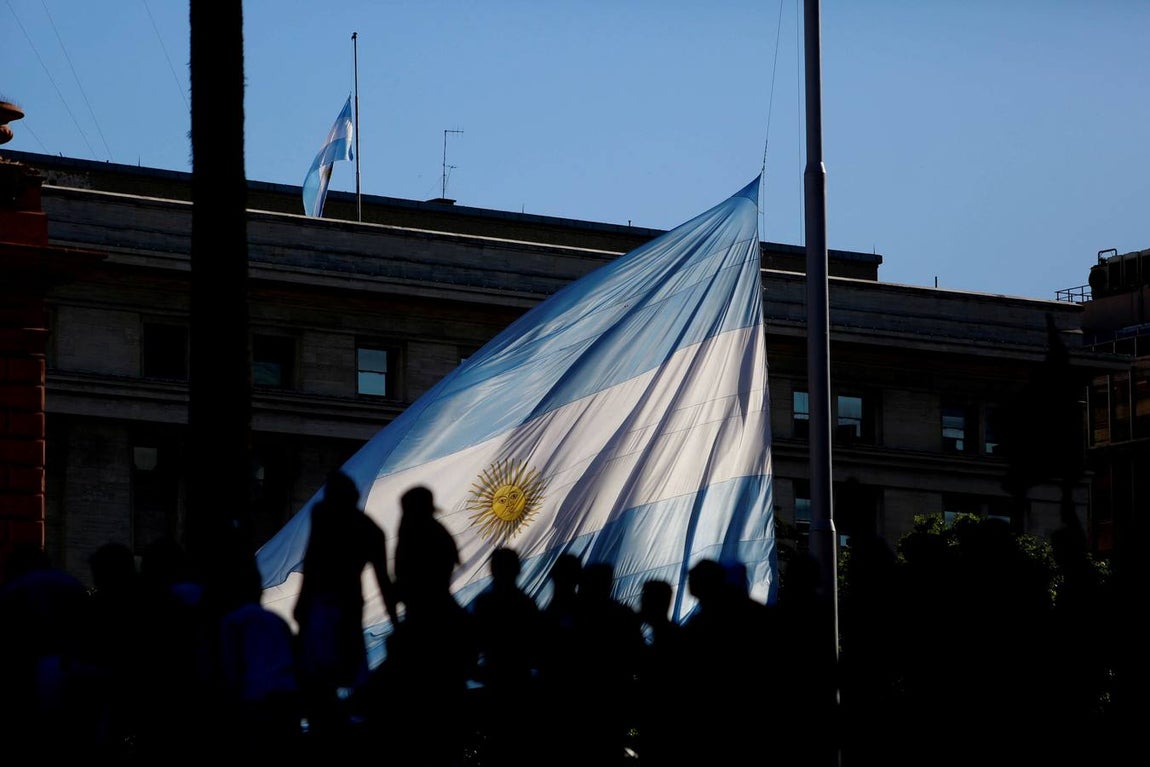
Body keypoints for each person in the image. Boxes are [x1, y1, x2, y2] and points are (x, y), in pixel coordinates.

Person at [293, 469, 396, 741]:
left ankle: (335, 726)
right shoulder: (351, 524)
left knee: (329, 676)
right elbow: (313, 560)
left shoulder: (337, 519)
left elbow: (314, 561)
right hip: (332, 607)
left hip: (337, 607)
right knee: (328, 677)